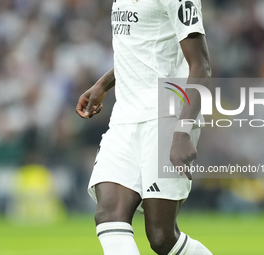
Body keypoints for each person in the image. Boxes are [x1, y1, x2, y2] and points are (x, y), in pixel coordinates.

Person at [76, 0, 212, 254]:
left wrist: (183, 130)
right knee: (109, 215)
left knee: (162, 237)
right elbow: (142, 49)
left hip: (168, 115)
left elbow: (201, 66)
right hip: (124, 118)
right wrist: (103, 84)